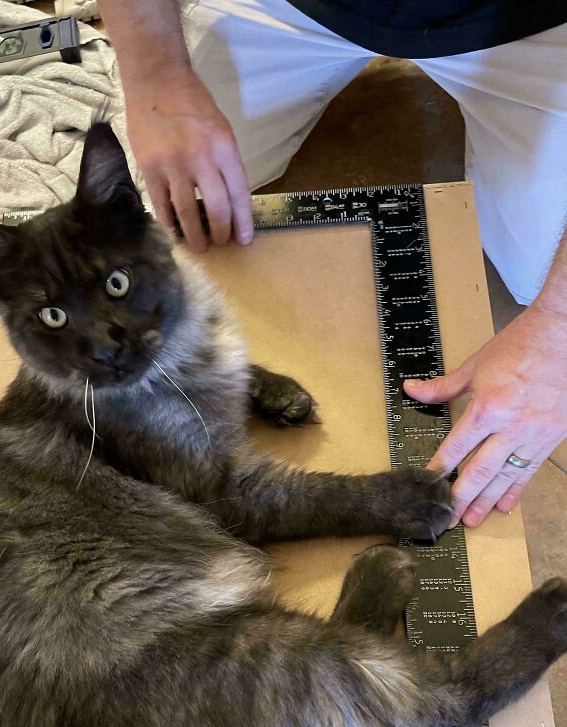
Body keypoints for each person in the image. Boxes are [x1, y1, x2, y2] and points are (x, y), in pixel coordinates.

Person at [98, 0, 567, 527]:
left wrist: (558, 329)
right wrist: (158, 80)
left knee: (539, 276)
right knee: (180, 207)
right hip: (299, 7)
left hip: (535, 19)